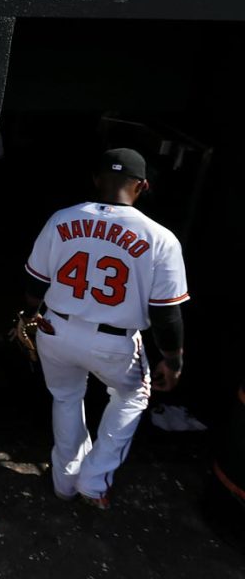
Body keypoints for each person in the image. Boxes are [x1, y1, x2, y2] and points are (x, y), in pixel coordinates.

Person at [24, 147, 190, 509]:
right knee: (131, 396)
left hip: (56, 328)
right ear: (142, 185)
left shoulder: (62, 219)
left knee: (66, 397)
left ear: (97, 180)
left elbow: (35, 286)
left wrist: (28, 315)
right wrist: (172, 359)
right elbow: (167, 313)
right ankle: (94, 481)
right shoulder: (160, 237)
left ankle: (64, 482)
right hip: (112, 342)